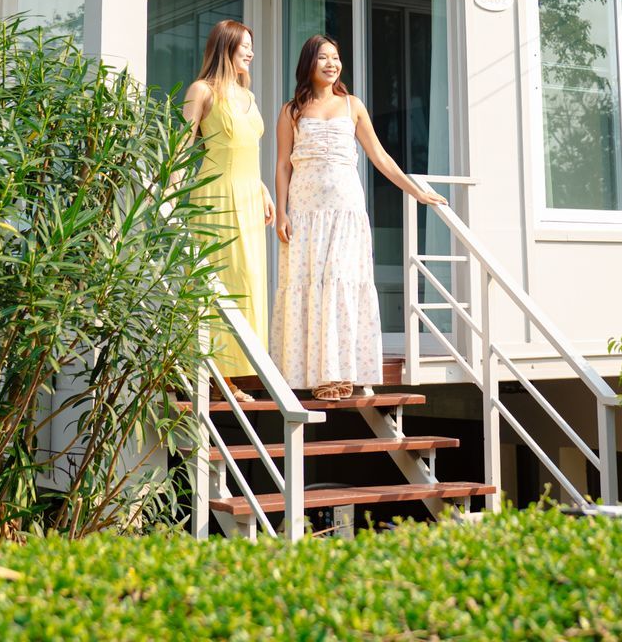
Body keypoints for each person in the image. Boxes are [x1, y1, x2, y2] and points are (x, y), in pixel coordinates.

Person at [272, 35, 442, 402]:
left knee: (341, 281)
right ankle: (303, 371)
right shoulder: (291, 111)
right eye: (323, 58)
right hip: (305, 212)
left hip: (346, 210)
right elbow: (282, 165)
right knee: (307, 282)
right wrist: (281, 212)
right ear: (308, 64)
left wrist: (415, 190)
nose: (332, 64)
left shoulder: (353, 105)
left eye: (336, 58)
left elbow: (380, 157)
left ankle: (338, 372)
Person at [182, 20, 276, 390]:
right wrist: (171, 200)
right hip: (216, 196)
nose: (250, 52)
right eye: (244, 46)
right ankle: (215, 373)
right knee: (220, 280)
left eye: (252, 46)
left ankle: (235, 371)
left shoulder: (246, 95)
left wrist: (263, 189)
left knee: (249, 280)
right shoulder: (202, 90)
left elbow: (247, 149)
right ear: (225, 48)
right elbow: (181, 145)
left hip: (250, 197)